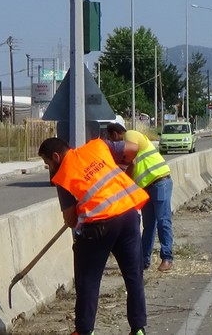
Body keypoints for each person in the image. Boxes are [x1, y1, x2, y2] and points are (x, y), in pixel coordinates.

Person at [38, 137, 149, 335]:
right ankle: (138, 329)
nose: (49, 169)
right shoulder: (99, 146)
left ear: (56, 156)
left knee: (88, 280)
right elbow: (133, 147)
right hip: (128, 215)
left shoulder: (63, 174)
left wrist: (79, 211)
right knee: (134, 276)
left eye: (48, 164)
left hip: (99, 227)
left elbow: (71, 220)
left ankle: (84, 330)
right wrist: (124, 175)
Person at [106, 123, 174, 271]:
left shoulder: (130, 135)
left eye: (113, 139)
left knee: (163, 221)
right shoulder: (125, 148)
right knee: (149, 225)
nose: (115, 144)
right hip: (146, 188)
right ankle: (144, 261)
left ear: (116, 134)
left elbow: (132, 163)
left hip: (160, 181)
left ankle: (167, 258)